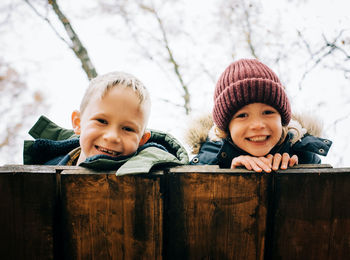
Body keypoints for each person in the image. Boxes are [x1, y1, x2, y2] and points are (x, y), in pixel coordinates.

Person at [23, 71, 188, 175]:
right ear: (78, 122)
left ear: (142, 140)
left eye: (128, 129)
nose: (112, 137)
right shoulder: (46, 167)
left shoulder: (150, 174)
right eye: (101, 121)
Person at [186, 59, 332, 173]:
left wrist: (297, 170)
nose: (258, 125)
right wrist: (230, 174)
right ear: (226, 127)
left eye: (268, 112)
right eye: (242, 115)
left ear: (282, 120)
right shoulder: (208, 160)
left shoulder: (304, 155)